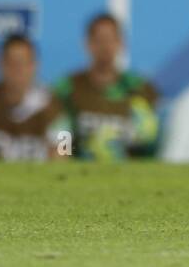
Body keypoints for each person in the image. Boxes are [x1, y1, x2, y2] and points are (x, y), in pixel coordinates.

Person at [50, 16, 158, 160]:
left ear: (121, 43)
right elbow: (61, 133)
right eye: (99, 40)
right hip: (79, 172)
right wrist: (63, 160)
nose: (105, 46)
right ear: (88, 44)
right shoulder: (69, 87)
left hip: (128, 174)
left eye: (110, 40)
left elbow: (151, 140)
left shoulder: (138, 87)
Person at [0, 34, 64, 161]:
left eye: (23, 62)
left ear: (35, 65)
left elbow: (64, 151)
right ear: (0, 64)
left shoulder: (52, 101)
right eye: (11, 63)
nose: (18, 69)